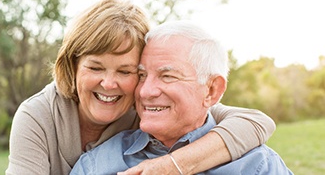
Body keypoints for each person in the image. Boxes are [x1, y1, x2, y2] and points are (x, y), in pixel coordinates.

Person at [6, 0, 276, 175]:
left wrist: (172, 166)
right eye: (95, 67)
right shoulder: (39, 116)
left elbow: (255, 122)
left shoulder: (148, 107)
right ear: (73, 66)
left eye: (127, 71)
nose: (109, 83)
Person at [71, 21, 292, 175]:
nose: (145, 91)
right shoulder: (95, 165)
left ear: (212, 90)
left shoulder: (258, 166)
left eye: (167, 76)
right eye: (141, 75)